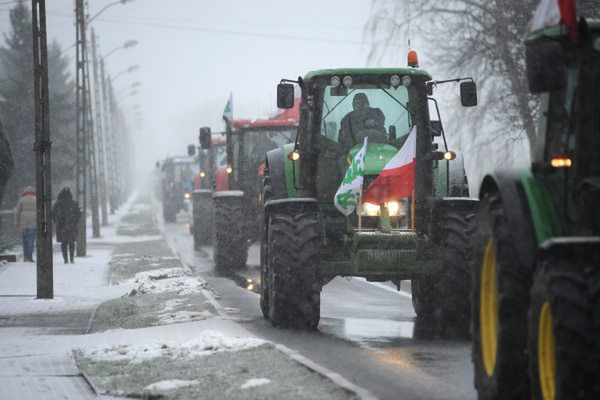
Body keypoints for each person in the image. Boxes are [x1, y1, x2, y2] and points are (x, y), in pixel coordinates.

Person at [53, 187, 81, 264]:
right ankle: (71, 258)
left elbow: (53, 214)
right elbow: (78, 214)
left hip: (61, 226)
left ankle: (65, 259)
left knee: (64, 243)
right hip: (72, 226)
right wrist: (75, 222)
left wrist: (56, 221)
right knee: (71, 242)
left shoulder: (57, 204)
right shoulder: (73, 203)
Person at [14, 186, 36, 262]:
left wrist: (17, 222)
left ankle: (25, 256)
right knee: (31, 240)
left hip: (24, 222)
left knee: (25, 240)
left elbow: (17, 212)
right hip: (33, 222)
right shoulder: (36, 200)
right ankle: (30, 256)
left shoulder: (21, 200)